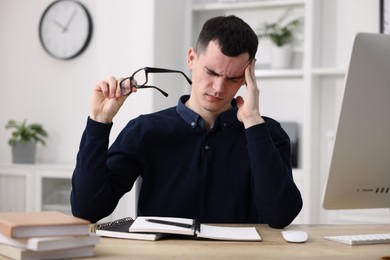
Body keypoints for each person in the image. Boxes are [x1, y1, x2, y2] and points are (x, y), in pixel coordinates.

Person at [71, 15, 302, 228]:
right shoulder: (145, 130)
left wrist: (252, 121)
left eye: (233, 78)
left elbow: (280, 216)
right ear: (191, 58)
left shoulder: (266, 132)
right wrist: (99, 122)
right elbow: (87, 209)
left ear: (248, 76)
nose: (219, 88)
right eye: (211, 72)